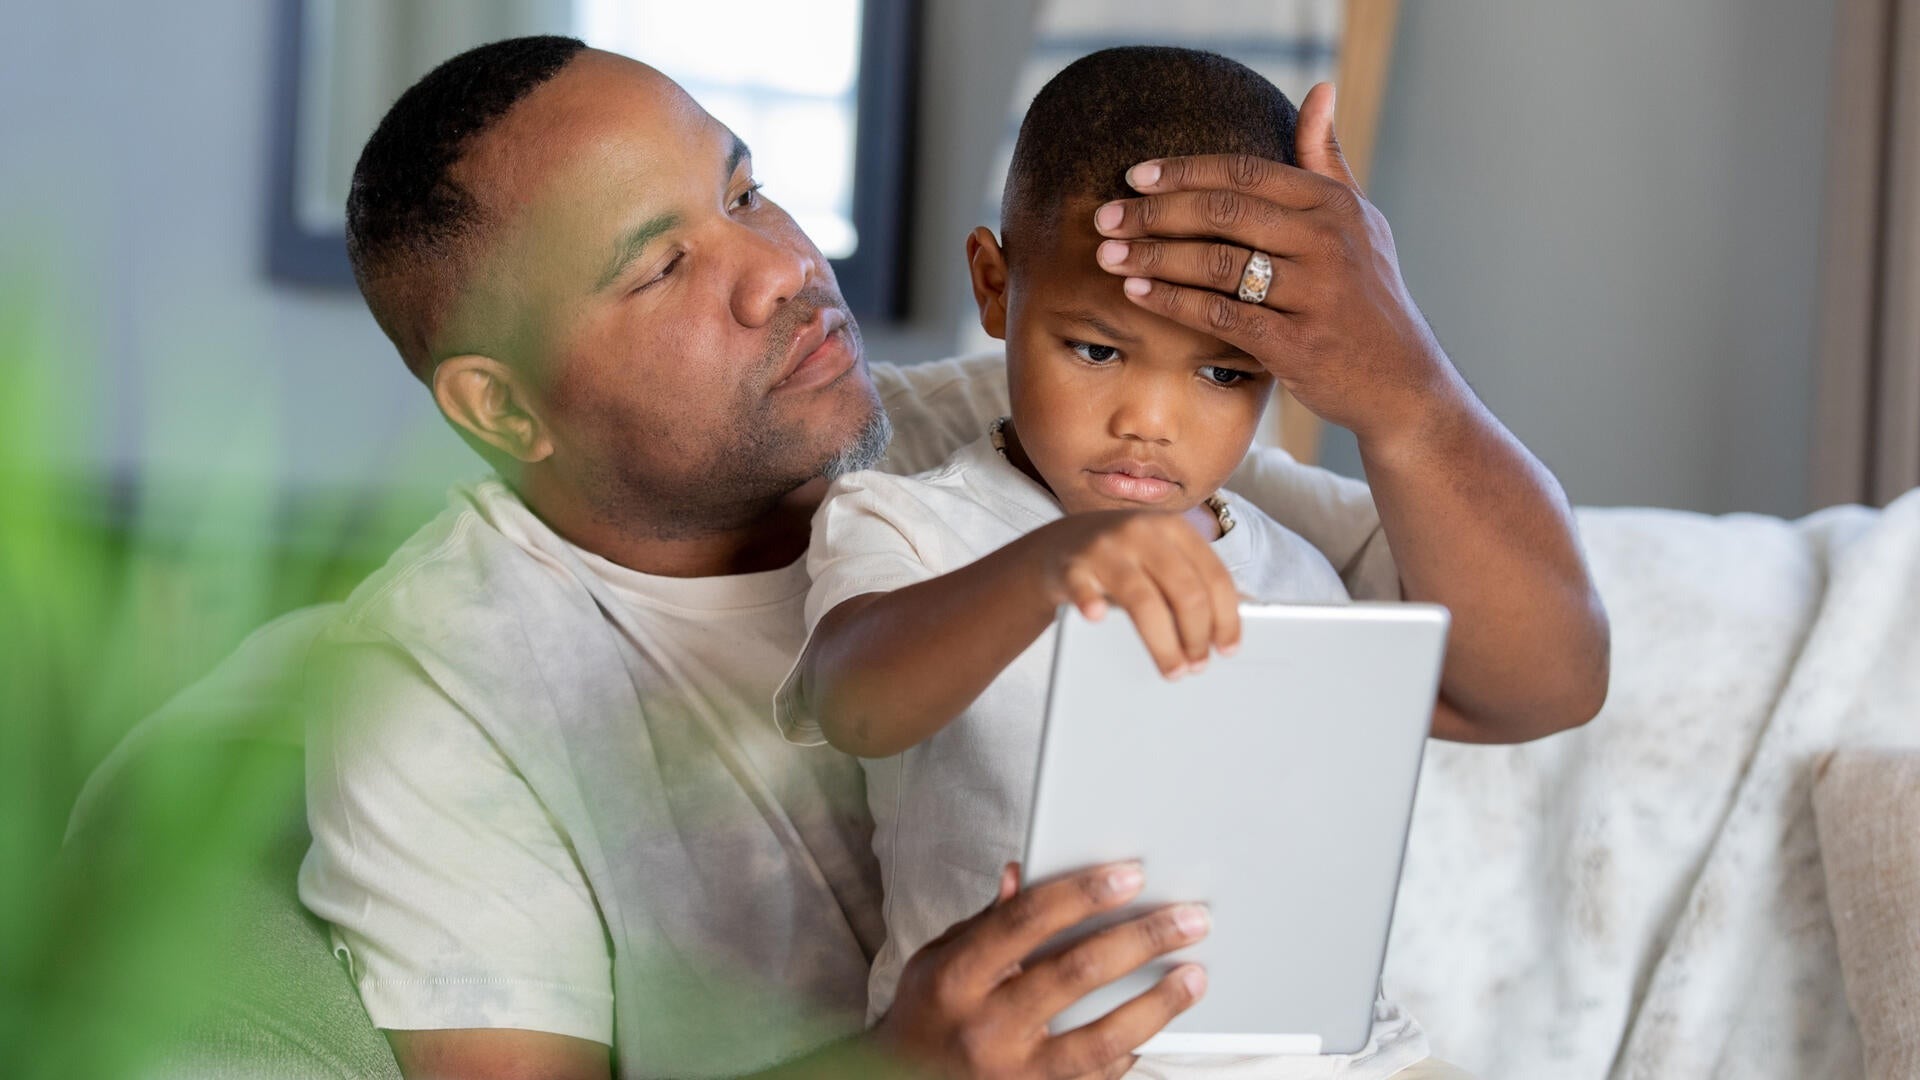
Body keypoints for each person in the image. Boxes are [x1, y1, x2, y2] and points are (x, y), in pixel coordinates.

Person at [296, 33, 1607, 1080]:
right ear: (503, 407)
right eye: (661, 267)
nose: (782, 268)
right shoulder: (438, 692)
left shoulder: (1050, 435)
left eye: (745, 187)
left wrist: (1409, 390)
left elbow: (1531, 683)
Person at [775, 46, 1596, 1079]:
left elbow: (1548, 683)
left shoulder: (1304, 565)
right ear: (995, 286)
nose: (1151, 422)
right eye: (1096, 349)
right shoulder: (907, 524)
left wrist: (1407, 379)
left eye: (1222, 371)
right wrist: (1051, 563)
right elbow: (857, 705)